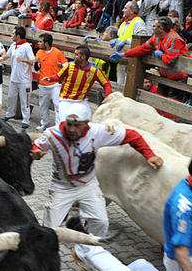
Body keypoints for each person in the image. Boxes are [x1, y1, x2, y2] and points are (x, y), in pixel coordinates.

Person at [31, 102, 163, 235]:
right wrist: (36, 154)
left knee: (101, 222)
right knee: (50, 228)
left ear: (86, 123)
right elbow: (37, 146)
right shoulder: (52, 134)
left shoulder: (98, 132)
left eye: (77, 125)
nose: (72, 129)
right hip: (62, 187)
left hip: (88, 185)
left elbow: (132, 135)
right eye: (69, 124)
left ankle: (86, 251)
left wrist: (149, 155)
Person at [109, 16, 188, 101]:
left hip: (178, 77)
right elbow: (142, 48)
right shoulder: (156, 37)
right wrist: (124, 54)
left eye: (154, 26)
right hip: (166, 76)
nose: (152, 28)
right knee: (159, 100)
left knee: (173, 104)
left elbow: (171, 61)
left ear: (160, 28)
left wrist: (161, 56)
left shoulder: (174, 39)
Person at [45, 44, 112, 119]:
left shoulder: (94, 70)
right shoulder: (69, 65)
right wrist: (50, 78)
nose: (74, 56)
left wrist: (108, 96)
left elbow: (106, 83)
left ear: (83, 57)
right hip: (65, 100)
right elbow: (58, 77)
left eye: (76, 55)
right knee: (64, 122)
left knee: (87, 122)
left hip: (81, 101)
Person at [34, 33, 67, 131]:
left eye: (40, 41)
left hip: (55, 85)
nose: (38, 43)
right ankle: (44, 123)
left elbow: (66, 66)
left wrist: (61, 66)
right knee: (43, 105)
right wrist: (36, 63)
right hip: (43, 85)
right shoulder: (39, 52)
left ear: (47, 43)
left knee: (58, 105)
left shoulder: (57, 53)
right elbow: (37, 69)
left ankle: (58, 126)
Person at [5, 25, 35, 129]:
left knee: (25, 100)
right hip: (14, 77)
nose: (12, 35)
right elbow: (7, 55)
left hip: (24, 79)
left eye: (13, 34)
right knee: (10, 97)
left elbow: (33, 61)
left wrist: (24, 60)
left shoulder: (27, 46)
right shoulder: (14, 45)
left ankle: (25, 120)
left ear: (18, 35)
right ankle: (9, 114)